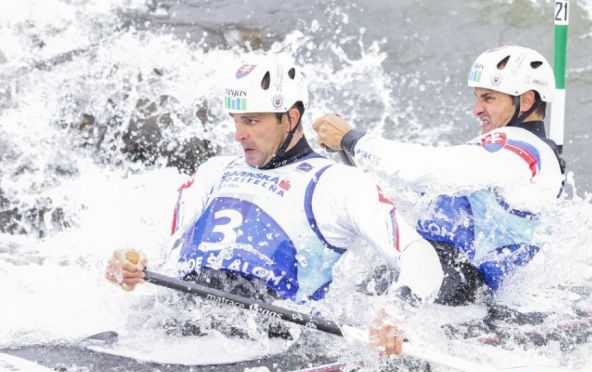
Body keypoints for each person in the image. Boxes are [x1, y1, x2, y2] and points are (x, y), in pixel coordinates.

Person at [105, 59, 443, 354]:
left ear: (291, 117)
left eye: (252, 121)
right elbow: (165, 251)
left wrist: (396, 311)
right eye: (236, 120)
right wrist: (130, 266)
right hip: (182, 321)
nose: (239, 134)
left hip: (273, 340)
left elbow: (419, 254)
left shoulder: (338, 183)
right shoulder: (214, 170)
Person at [313, 46, 566, 306]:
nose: (476, 109)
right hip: (435, 272)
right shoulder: (505, 153)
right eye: (477, 97)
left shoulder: (523, 150)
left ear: (525, 101)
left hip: (455, 285)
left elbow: (428, 170)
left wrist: (352, 139)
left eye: (488, 98)